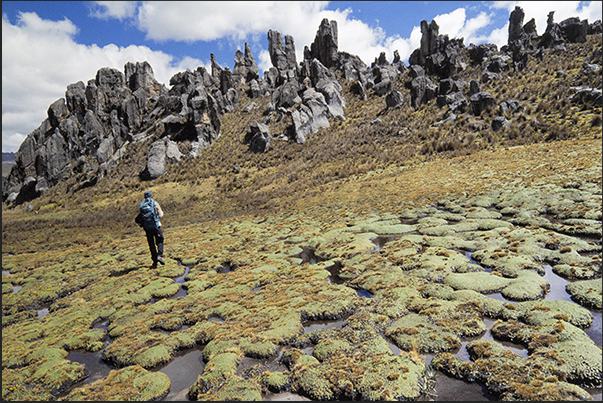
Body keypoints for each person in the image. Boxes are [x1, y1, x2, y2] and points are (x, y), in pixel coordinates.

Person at [139, 190, 165, 268]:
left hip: (147, 227)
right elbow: (161, 214)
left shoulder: (142, 204)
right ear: (151, 196)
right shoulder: (154, 203)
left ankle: (154, 262)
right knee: (160, 240)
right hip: (155, 226)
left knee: (151, 243)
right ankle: (159, 255)